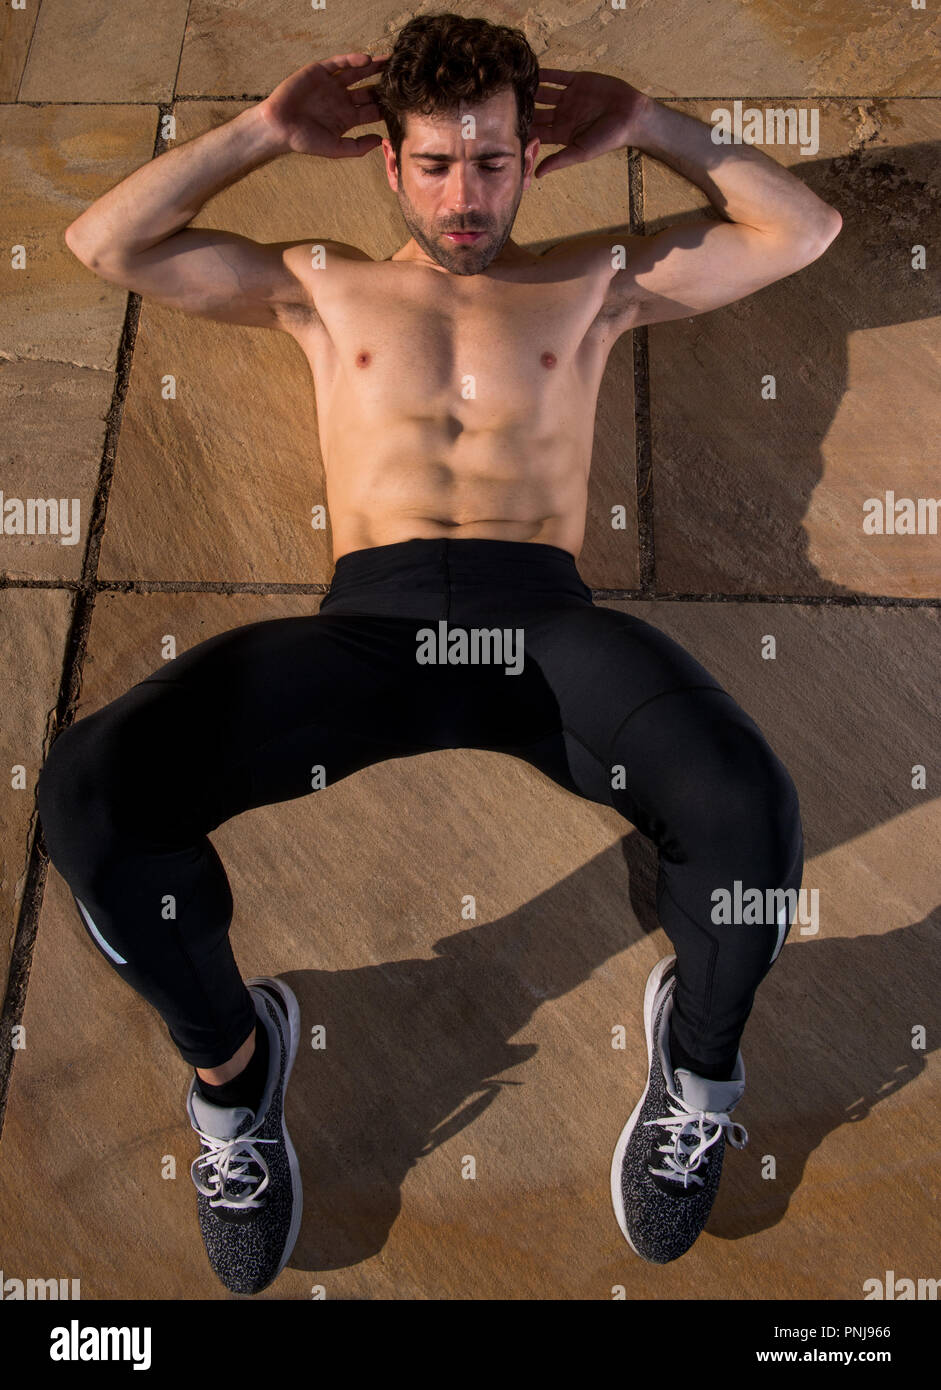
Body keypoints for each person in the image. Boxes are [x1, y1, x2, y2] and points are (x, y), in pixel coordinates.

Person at [37, 13, 840, 1295]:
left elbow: (800, 232)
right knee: (89, 793)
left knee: (750, 811)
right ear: (386, 164)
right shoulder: (319, 284)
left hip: (551, 634)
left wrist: (648, 124)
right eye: (431, 163)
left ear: (534, 159)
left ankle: (695, 1068)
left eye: (490, 163)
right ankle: (236, 1077)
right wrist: (254, 128)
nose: (462, 196)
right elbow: (103, 241)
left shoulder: (594, 279)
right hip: (367, 633)